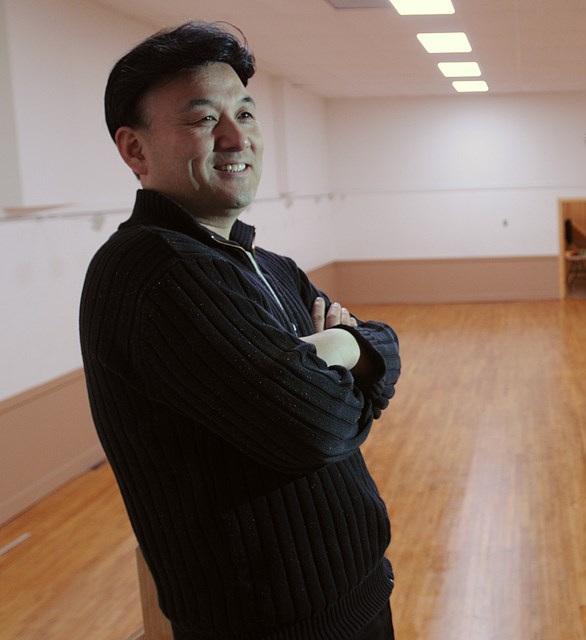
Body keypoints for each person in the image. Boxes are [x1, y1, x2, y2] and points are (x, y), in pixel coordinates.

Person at [79, 22, 401, 639]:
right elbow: (313, 427)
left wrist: (341, 346)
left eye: (246, 114)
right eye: (203, 120)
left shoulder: (270, 267)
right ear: (135, 150)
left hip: (354, 595)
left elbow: (383, 346)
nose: (236, 137)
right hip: (267, 623)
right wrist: (343, 363)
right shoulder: (158, 271)